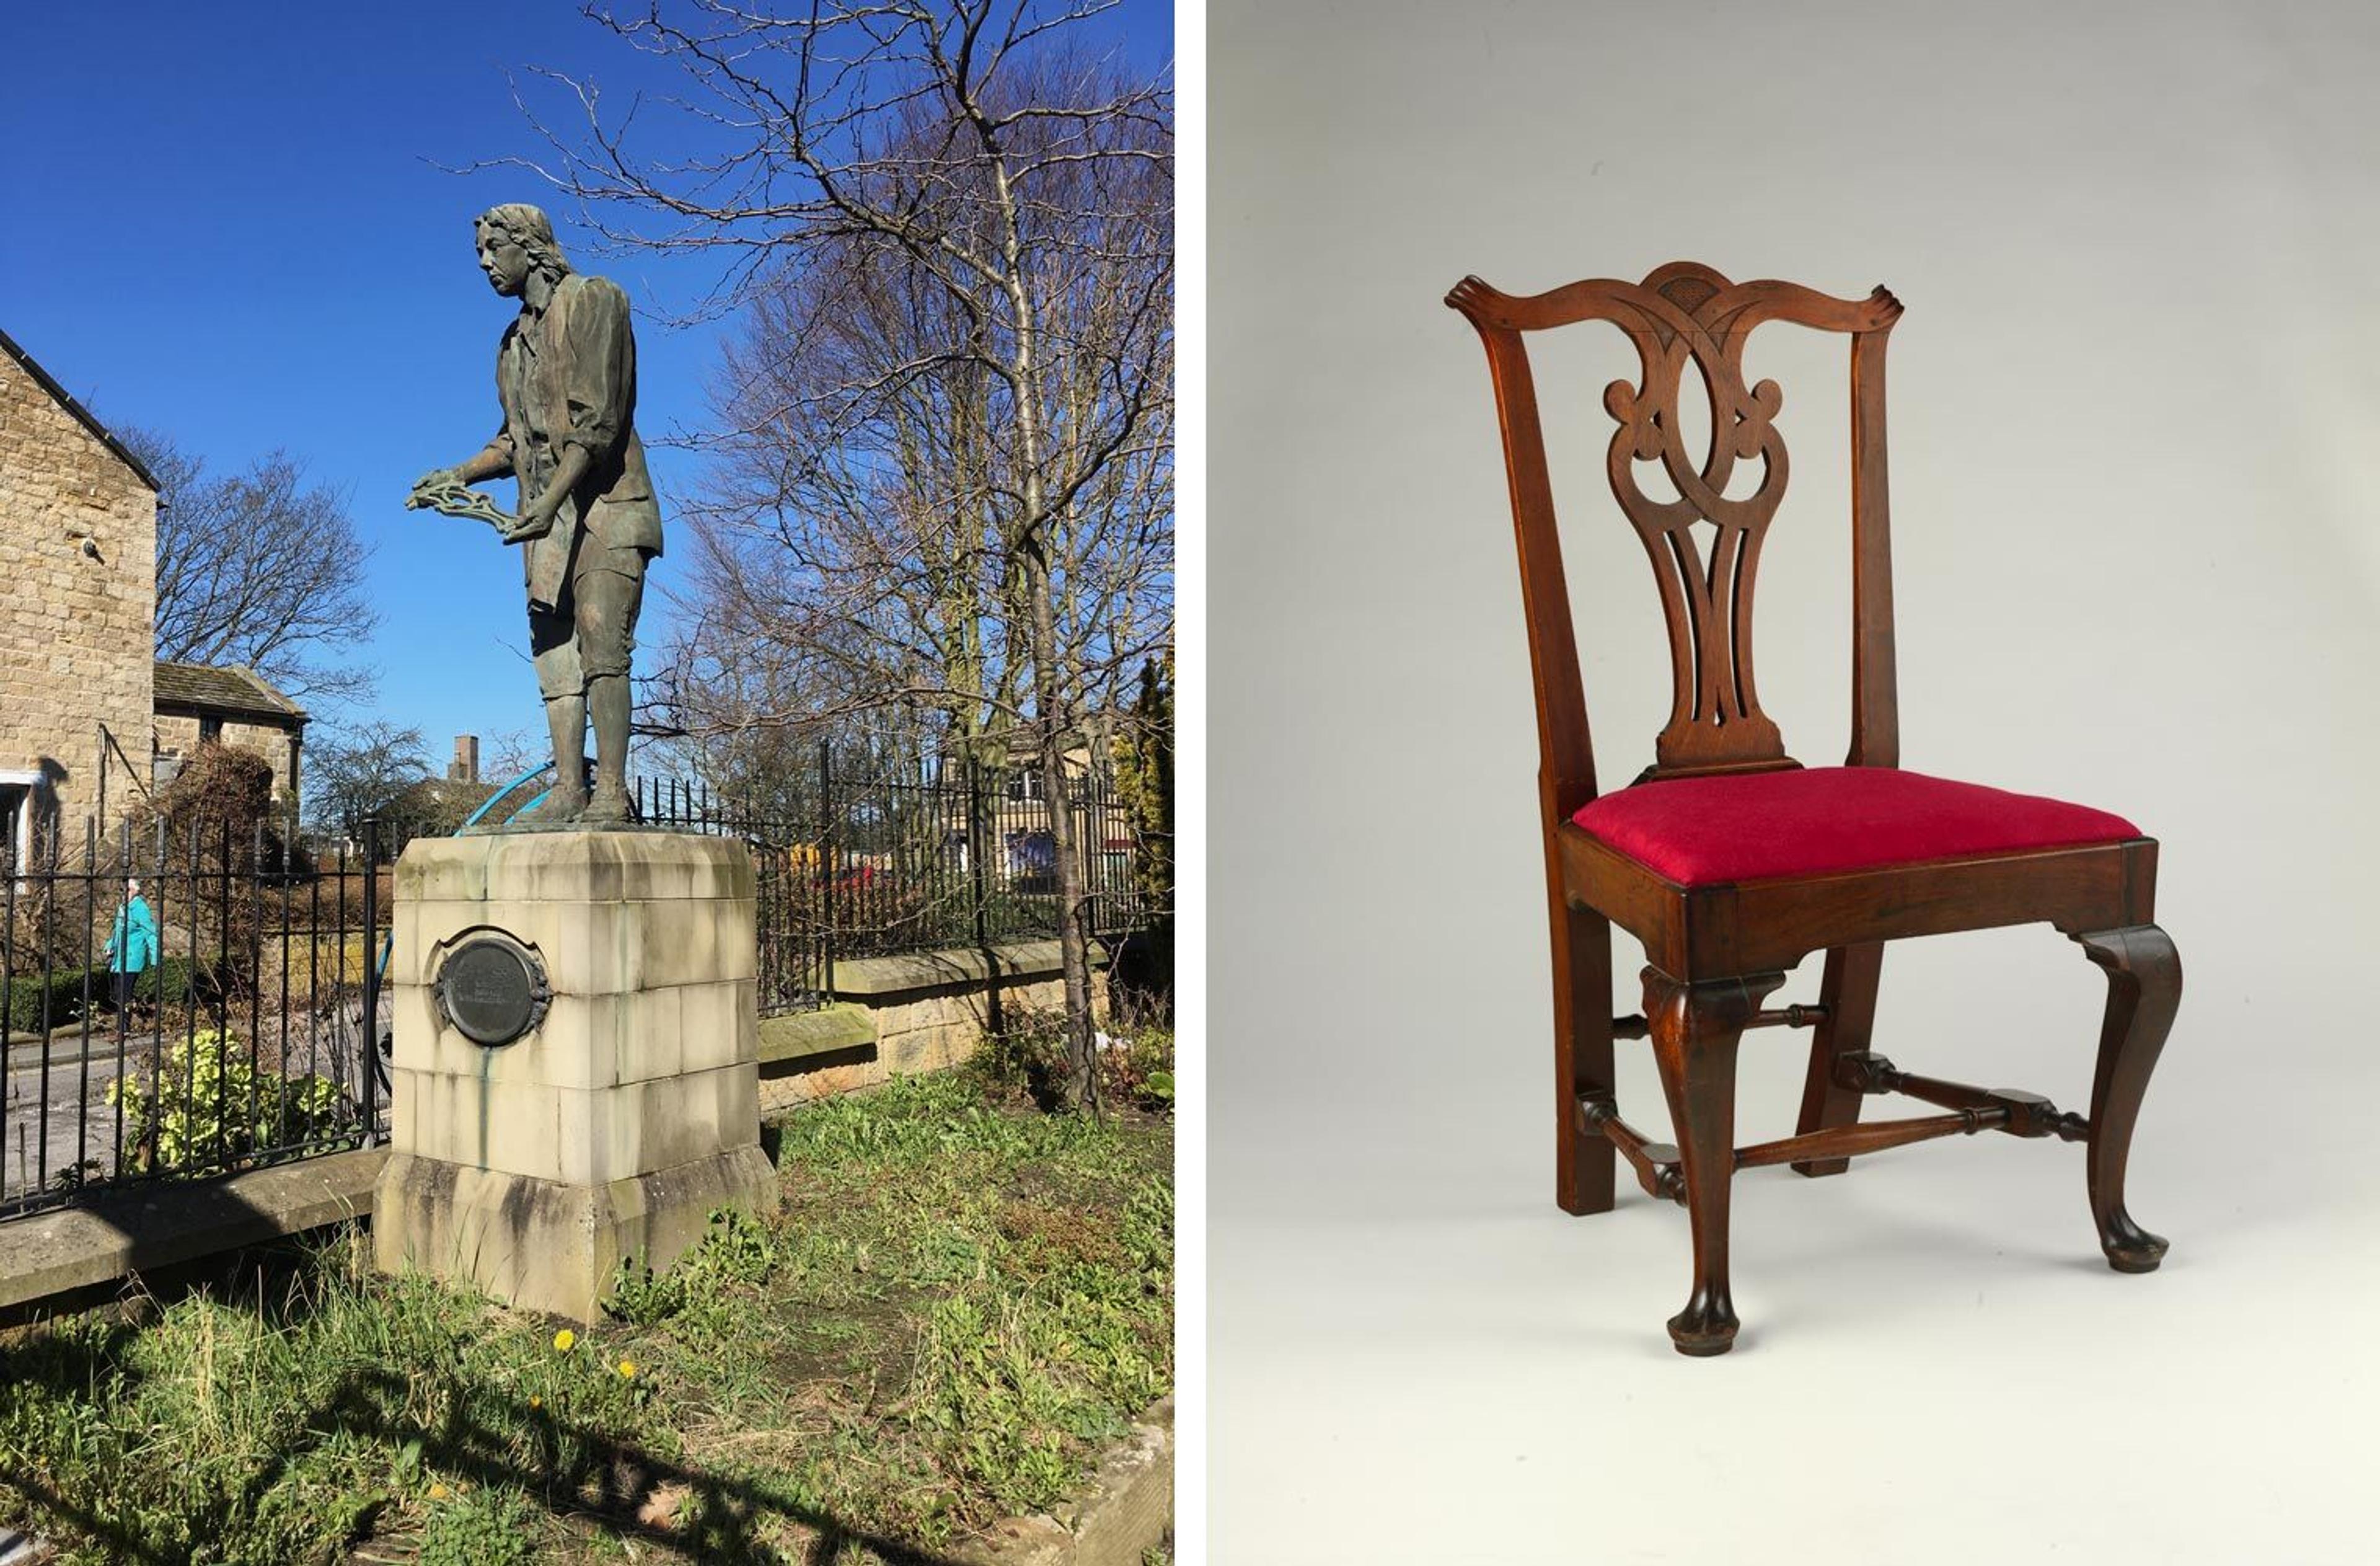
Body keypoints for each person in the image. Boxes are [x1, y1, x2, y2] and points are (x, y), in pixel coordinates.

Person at [408, 203, 664, 828]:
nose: (486, 264)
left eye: (494, 250)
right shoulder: (511, 345)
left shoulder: (595, 300)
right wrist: (458, 474)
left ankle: (609, 794)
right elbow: (513, 441)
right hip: (547, 526)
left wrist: (548, 503)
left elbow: (599, 422)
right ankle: (567, 791)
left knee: (603, 644)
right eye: (480, 255)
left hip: (608, 508)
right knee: (555, 662)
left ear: (529, 245)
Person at [105, 877, 157, 1020]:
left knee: (123, 995)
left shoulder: (140, 908)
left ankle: (124, 1029)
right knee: (117, 994)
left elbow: (151, 933)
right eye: (121, 890)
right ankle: (142, 1010)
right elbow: (117, 930)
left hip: (132, 957)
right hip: (119, 958)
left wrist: (155, 958)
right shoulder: (123, 908)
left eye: (126, 890)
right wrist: (110, 946)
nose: (123, 893)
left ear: (135, 891)